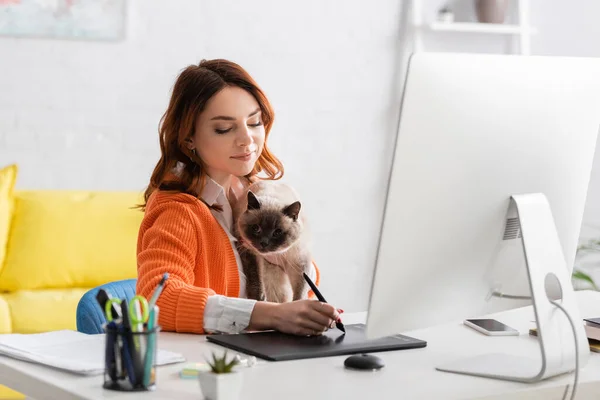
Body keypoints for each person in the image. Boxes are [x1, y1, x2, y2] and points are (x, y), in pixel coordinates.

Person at [136, 59, 341, 336]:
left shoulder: (260, 195)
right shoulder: (178, 211)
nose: (248, 139)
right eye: (224, 128)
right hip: (210, 367)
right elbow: (157, 299)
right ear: (189, 140)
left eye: (254, 122)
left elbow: (303, 275)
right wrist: (273, 316)